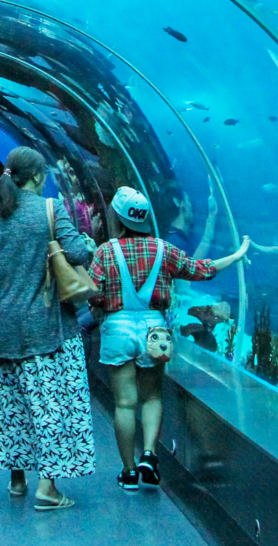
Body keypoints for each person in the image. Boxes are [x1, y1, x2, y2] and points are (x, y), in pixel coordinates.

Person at [89, 186, 249, 492]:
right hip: (155, 330)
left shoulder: (106, 252)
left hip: (118, 329)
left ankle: (129, 472)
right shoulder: (163, 249)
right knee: (152, 396)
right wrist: (236, 256)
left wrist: (99, 305)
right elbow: (200, 270)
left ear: (118, 219)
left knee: (125, 404)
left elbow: (93, 293)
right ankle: (149, 454)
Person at [0, 146, 96, 511]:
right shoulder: (50, 209)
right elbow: (78, 254)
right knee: (50, 404)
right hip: (46, 325)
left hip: (4, 327)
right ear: (38, 176)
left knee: (11, 404)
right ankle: (47, 488)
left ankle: (17, 480)